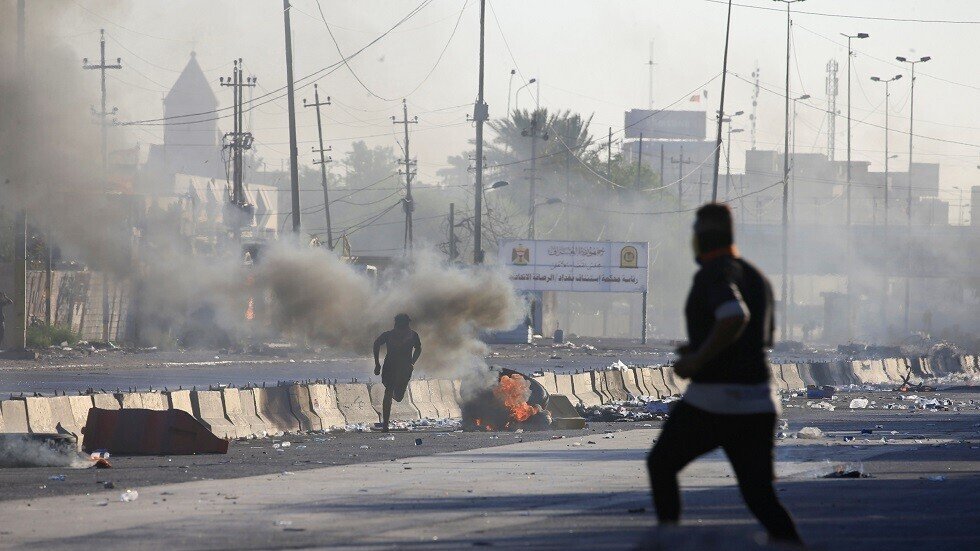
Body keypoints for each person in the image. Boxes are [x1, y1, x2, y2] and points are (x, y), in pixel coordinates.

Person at [647, 203, 802, 545]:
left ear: (701, 238)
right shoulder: (756, 276)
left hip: (714, 400)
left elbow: (734, 316)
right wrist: (699, 346)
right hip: (759, 400)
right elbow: (751, 340)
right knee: (759, 495)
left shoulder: (714, 274)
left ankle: (667, 542)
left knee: (661, 464)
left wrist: (697, 359)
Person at [373, 313, 422, 432]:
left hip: (404, 367)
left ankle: (391, 393)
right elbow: (376, 344)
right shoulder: (389, 335)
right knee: (388, 391)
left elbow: (419, 348)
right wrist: (377, 364)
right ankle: (385, 426)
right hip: (391, 366)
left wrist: (412, 362)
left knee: (398, 397)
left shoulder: (412, 335)